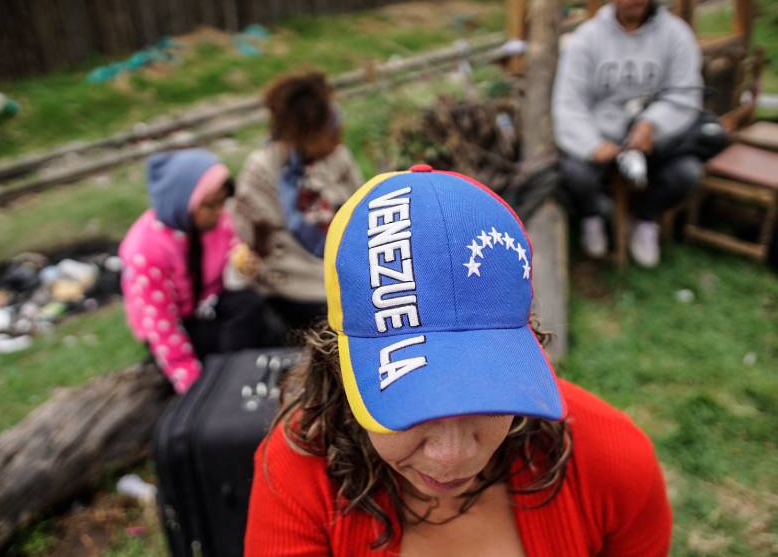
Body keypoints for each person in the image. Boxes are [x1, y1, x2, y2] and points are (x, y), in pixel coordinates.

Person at [244, 166, 672, 556]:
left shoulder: (615, 462)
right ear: (340, 365)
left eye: (487, 391)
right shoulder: (294, 477)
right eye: (408, 398)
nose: (451, 457)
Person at [552, 0, 704, 267]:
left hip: (654, 139)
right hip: (601, 136)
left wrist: (652, 125)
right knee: (573, 173)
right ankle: (593, 215)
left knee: (687, 173)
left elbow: (685, 95)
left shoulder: (676, 35)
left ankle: (645, 218)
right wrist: (592, 144)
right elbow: (568, 102)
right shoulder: (587, 38)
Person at [119, 149, 283, 394]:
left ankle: (254, 365)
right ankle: (230, 379)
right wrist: (191, 382)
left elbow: (231, 245)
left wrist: (241, 260)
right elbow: (163, 326)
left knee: (253, 306)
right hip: (178, 322)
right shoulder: (146, 252)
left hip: (207, 304)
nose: (221, 211)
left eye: (222, 202)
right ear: (184, 203)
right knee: (232, 339)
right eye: (211, 205)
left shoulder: (215, 223)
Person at [233, 71, 362, 331]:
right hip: (295, 287)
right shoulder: (263, 170)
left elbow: (360, 210)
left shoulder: (337, 156)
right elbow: (257, 243)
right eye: (332, 129)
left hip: (344, 270)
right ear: (306, 134)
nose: (340, 134)